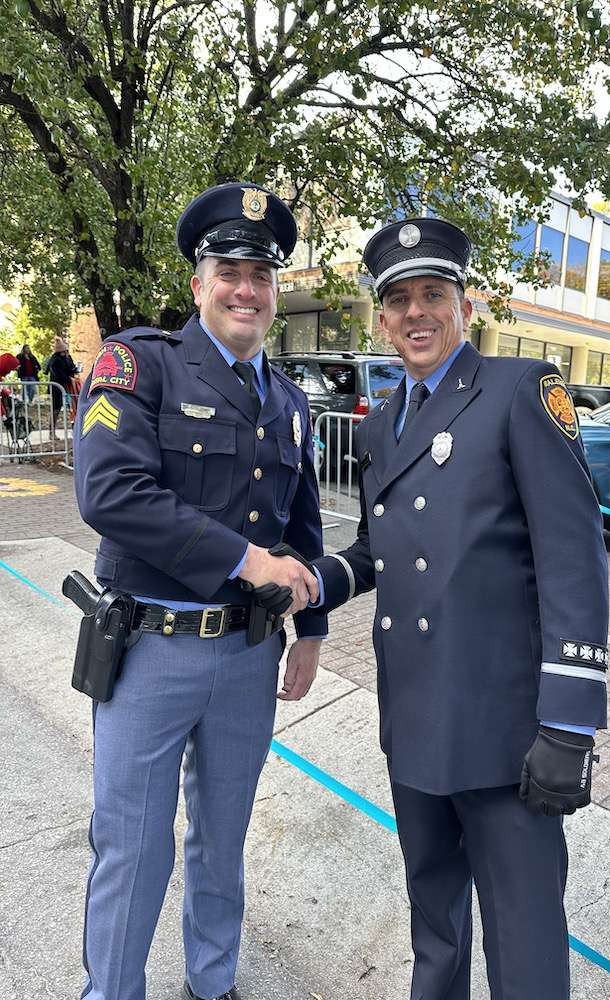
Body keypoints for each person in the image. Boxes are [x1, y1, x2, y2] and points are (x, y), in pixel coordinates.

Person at [311, 218, 609, 999]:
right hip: (413, 711)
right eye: (399, 299)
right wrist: (315, 581)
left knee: (523, 936)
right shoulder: (381, 422)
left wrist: (569, 723)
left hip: (504, 728)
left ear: (465, 307)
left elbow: (573, 558)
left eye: (433, 295)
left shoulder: (520, 391)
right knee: (434, 923)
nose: (417, 313)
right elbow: (383, 548)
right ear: (381, 318)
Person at [73, 182, 326, 1000]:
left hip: (247, 659)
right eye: (229, 269)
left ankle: (211, 985)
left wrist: (312, 627)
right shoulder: (138, 363)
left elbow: (306, 527)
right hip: (150, 649)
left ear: (275, 290)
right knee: (134, 844)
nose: (245, 288)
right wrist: (251, 562)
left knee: (223, 839)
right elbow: (110, 493)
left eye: (261, 274)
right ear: (198, 282)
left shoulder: (289, 404)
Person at [47, 335, 78, 435]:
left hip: (67, 386)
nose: (66, 353)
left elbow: (71, 368)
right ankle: (51, 431)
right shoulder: (55, 360)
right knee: (56, 408)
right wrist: (68, 377)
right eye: (64, 351)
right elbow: (58, 374)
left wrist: (74, 370)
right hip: (57, 387)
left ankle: (75, 429)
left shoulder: (67, 357)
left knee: (73, 407)